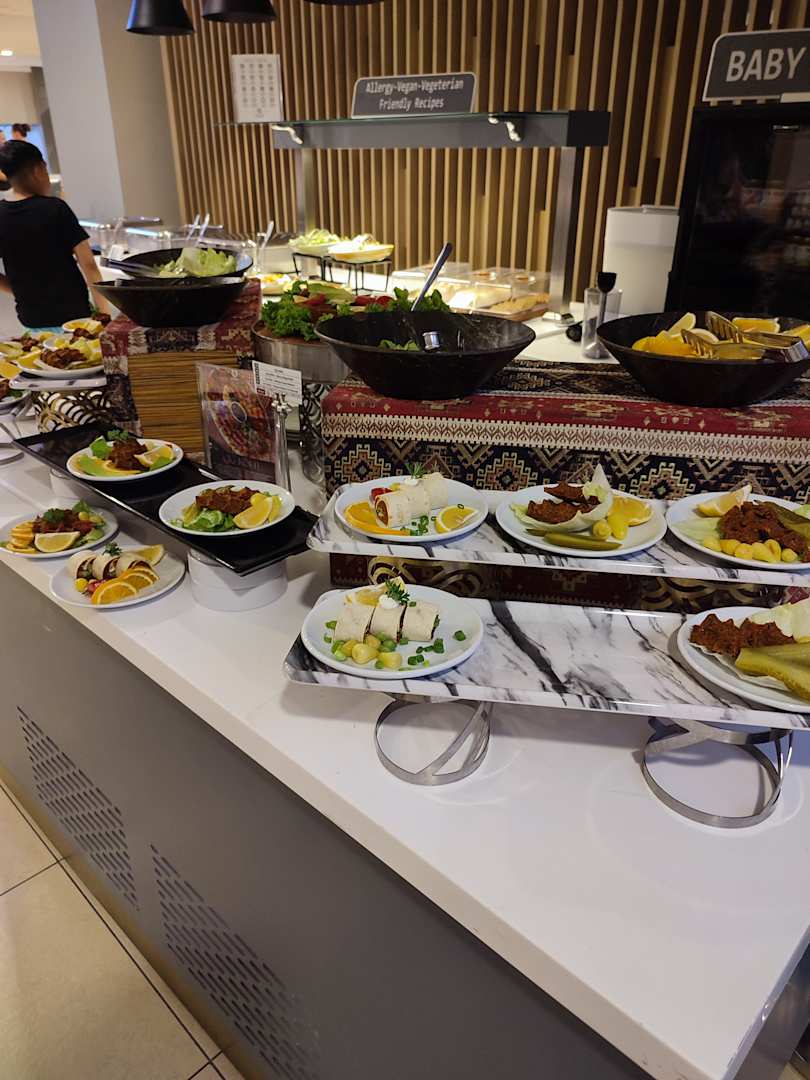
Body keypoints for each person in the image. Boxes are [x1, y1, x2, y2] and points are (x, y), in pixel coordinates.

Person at [0, 139, 111, 330]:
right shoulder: (55, 208)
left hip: (31, 318)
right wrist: (105, 315)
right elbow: (89, 265)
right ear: (38, 170)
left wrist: (20, 291)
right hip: (74, 316)